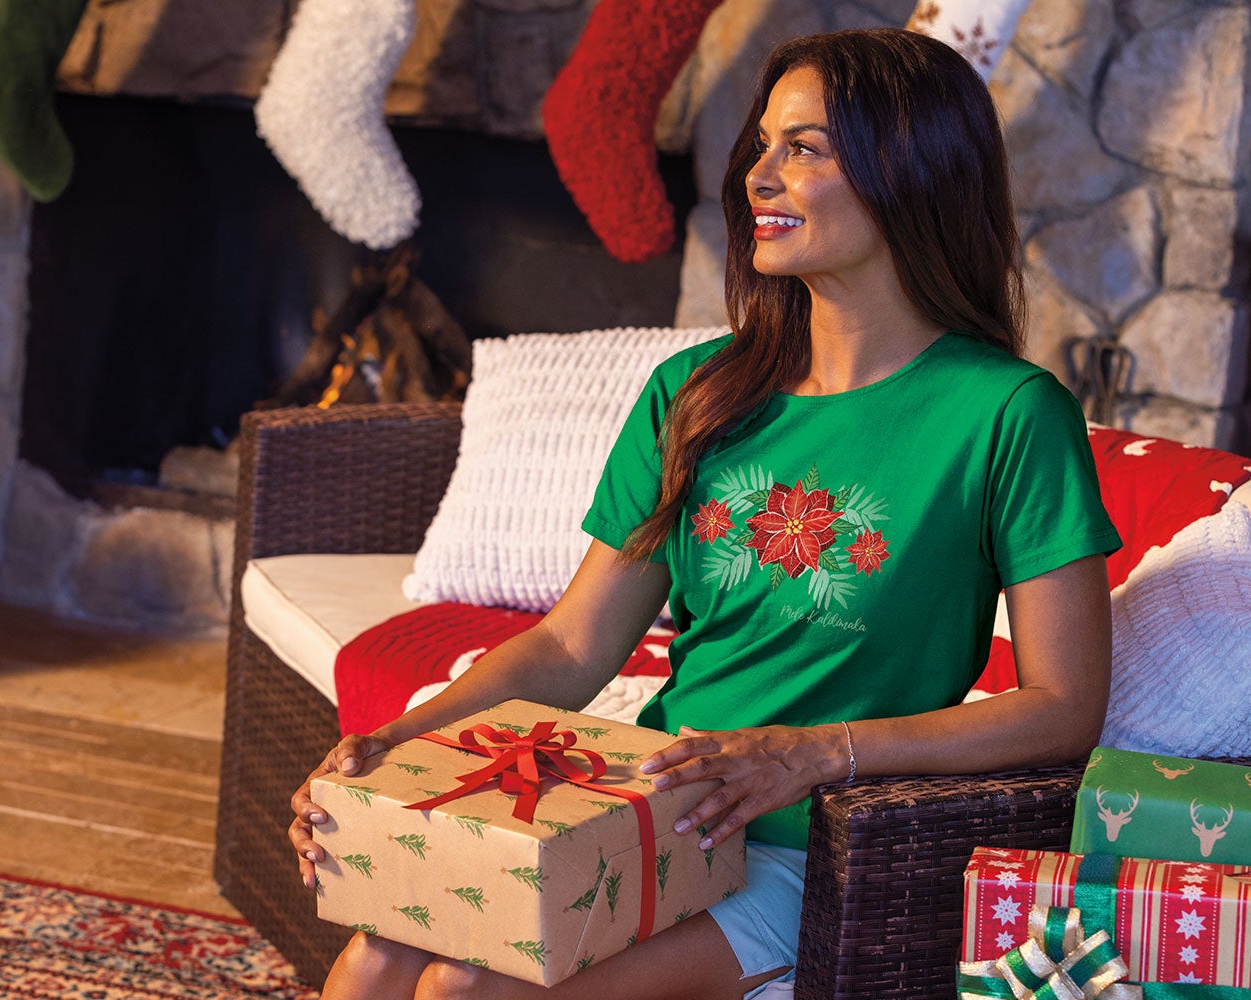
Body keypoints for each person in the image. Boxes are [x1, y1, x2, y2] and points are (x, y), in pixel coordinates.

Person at [288, 27, 1121, 1000]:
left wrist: (814, 753)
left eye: (803, 148)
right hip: (644, 816)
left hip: (819, 855)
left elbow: (1066, 708)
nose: (757, 176)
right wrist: (392, 745)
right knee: (383, 948)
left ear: (910, 170)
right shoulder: (698, 395)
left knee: (468, 989)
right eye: (762, 145)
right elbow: (568, 649)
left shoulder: (1009, 415)